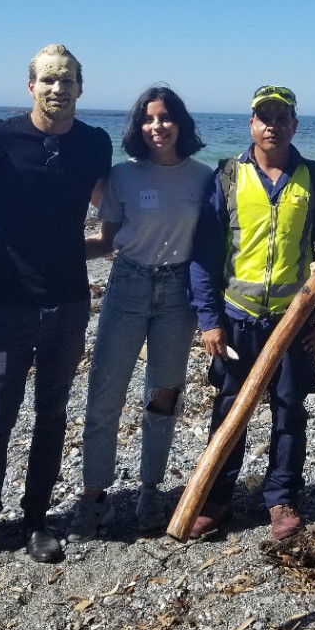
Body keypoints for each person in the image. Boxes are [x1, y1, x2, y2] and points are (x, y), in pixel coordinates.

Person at [0, 44, 113, 573]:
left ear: (80, 88)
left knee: (51, 416)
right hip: (7, 304)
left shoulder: (95, 143)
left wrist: (117, 238)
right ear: (30, 87)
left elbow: (106, 203)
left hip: (69, 302)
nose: (57, 89)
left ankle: (37, 517)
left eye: (67, 80)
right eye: (47, 79)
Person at [187, 86, 315, 541]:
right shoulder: (228, 175)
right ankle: (216, 498)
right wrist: (209, 319)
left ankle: (282, 500)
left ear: (295, 124)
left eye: (281, 116)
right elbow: (204, 254)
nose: (271, 124)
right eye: (263, 116)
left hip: (291, 320)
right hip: (237, 318)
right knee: (230, 408)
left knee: (290, 411)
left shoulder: (311, 176)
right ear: (251, 123)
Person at [68, 86, 211, 541]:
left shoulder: (205, 178)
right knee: (104, 390)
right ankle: (94, 496)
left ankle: (151, 488)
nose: (157, 126)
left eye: (166, 117)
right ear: (138, 126)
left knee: (163, 393)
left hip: (178, 292)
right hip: (128, 283)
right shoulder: (121, 177)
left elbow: (215, 244)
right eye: (149, 119)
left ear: (180, 124)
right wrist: (51, 252)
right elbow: (107, 240)